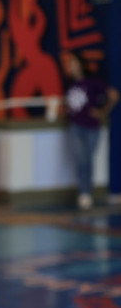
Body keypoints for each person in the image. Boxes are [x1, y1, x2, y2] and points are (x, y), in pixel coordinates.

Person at [63, 51, 118, 210]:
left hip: (92, 126)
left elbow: (113, 95)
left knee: (88, 159)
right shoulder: (70, 84)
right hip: (75, 125)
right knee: (80, 159)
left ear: (80, 64)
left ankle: (87, 192)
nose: (70, 67)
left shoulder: (92, 82)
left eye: (72, 63)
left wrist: (102, 112)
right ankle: (84, 192)